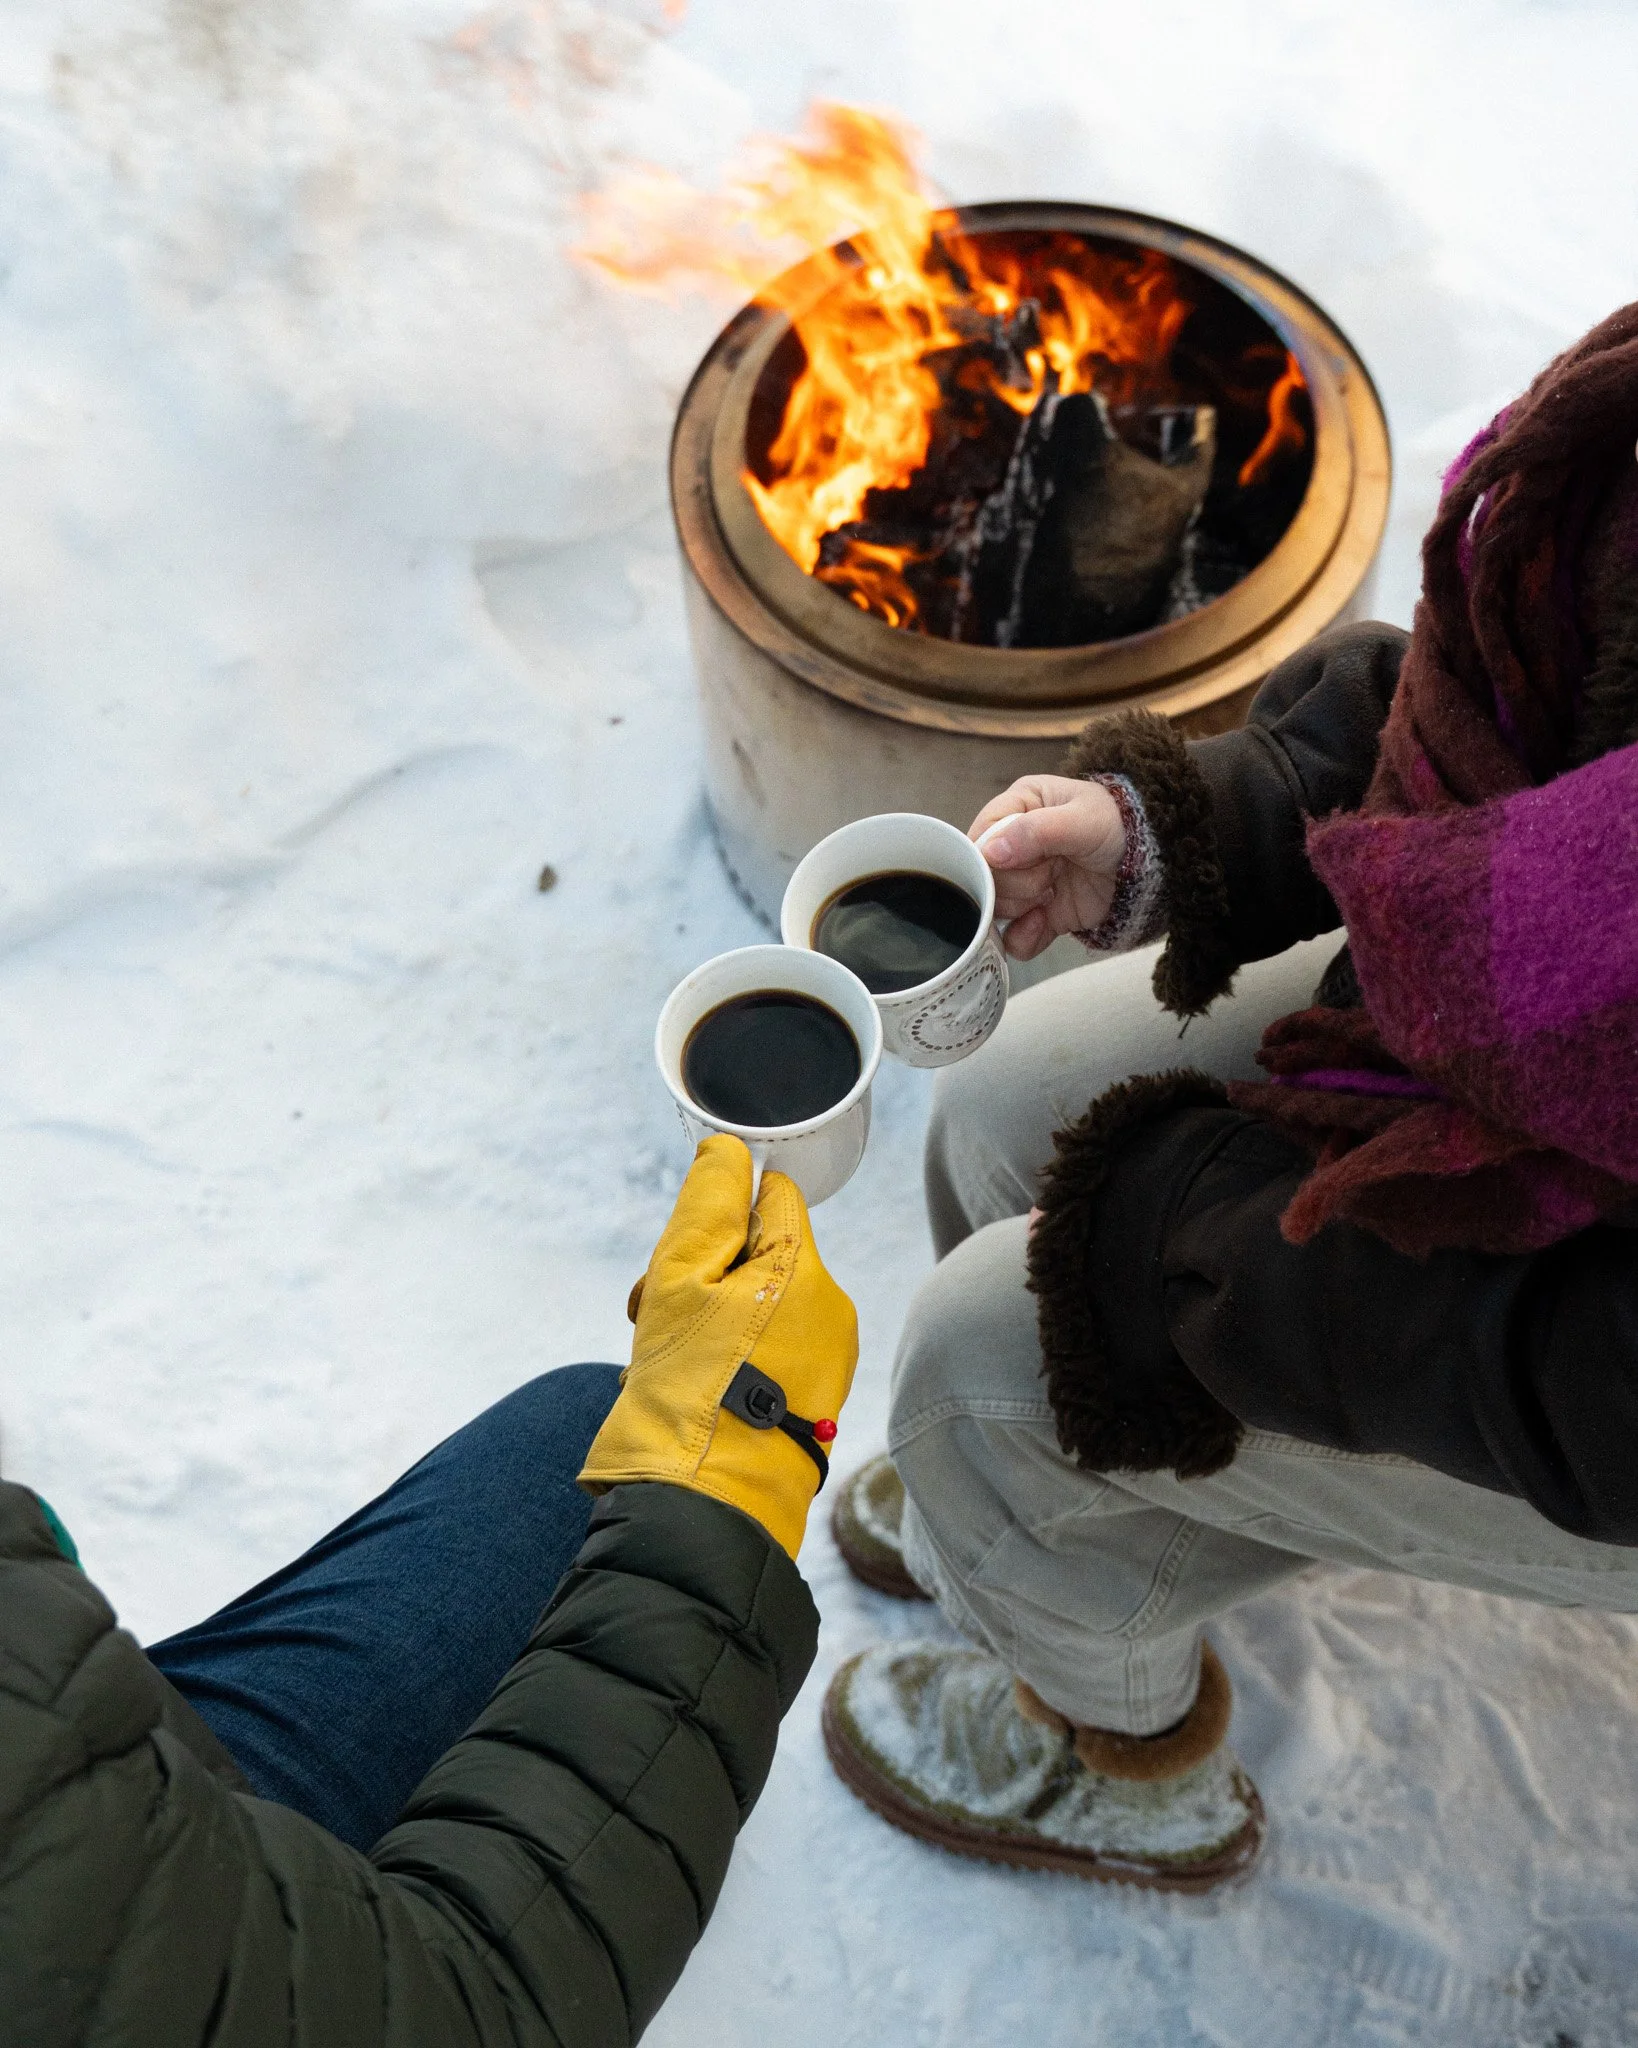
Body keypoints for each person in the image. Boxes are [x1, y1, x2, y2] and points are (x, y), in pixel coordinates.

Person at [823, 303, 1638, 1890]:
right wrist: (1180, 829)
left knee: (979, 1374)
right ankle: (1037, 1517)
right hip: (1511, 1051)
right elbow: (1525, 762)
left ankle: (1126, 1764)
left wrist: (1180, 1264)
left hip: (1593, 1366)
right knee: (1007, 1103)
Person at [0, 1134, 857, 2045]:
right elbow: (476, 2012)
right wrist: (718, 1481)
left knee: (571, 1450)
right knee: (590, 1481)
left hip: (71, 1762)